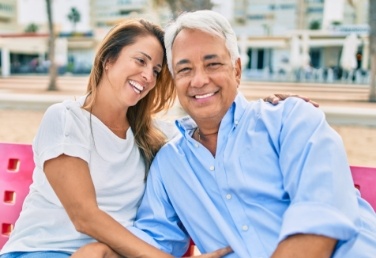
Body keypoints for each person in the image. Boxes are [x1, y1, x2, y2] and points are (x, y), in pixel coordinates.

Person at [77, 10, 376, 258]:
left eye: (213, 64)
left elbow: (319, 216)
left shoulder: (290, 119)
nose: (199, 80)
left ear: (237, 70)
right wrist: (102, 251)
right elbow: (157, 238)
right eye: (184, 70)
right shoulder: (170, 162)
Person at [0, 18, 232, 258]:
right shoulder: (67, 119)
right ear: (108, 60)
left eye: (155, 70)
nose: (148, 77)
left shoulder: (154, 135)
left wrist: (271, 109)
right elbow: (84, 217)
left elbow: (215, 128)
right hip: (42, 251)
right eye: (140, 61)